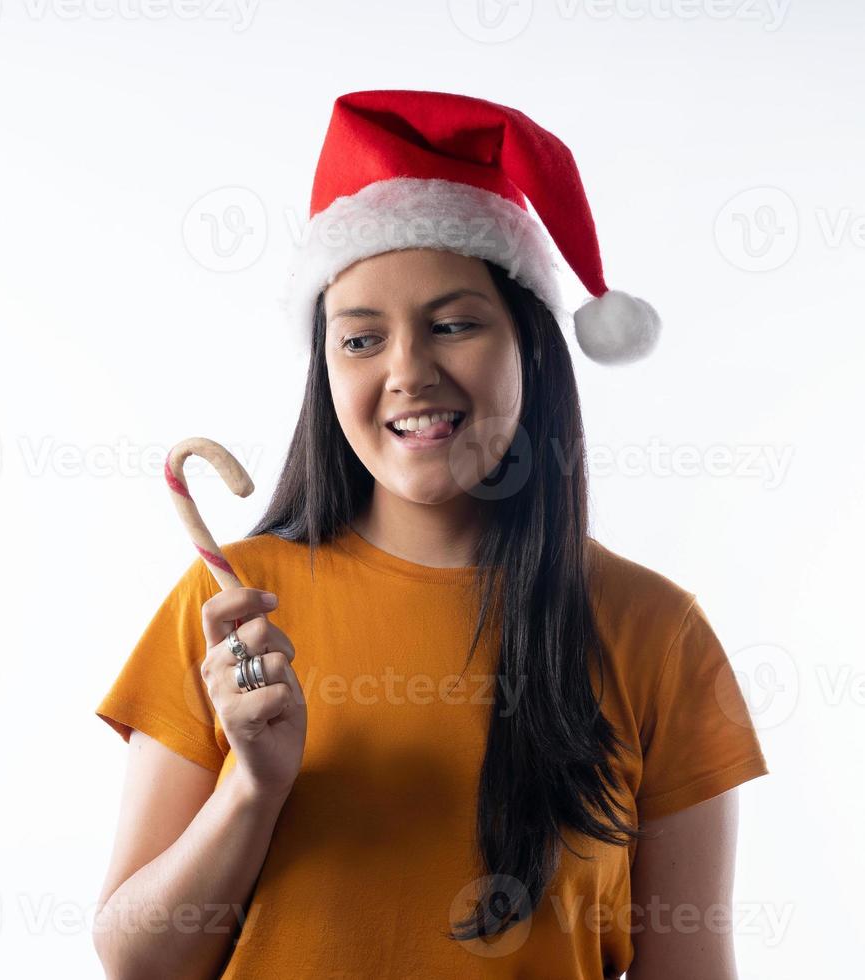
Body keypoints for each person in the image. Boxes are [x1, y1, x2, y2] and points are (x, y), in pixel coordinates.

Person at [92, 90, 769, 979]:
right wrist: (253, 788)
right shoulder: (232, 613)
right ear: (325, 369)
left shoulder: (657, 632)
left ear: (529, 346)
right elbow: (137, 962)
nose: (409, 372)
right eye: (361, 340)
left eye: (453, 325)